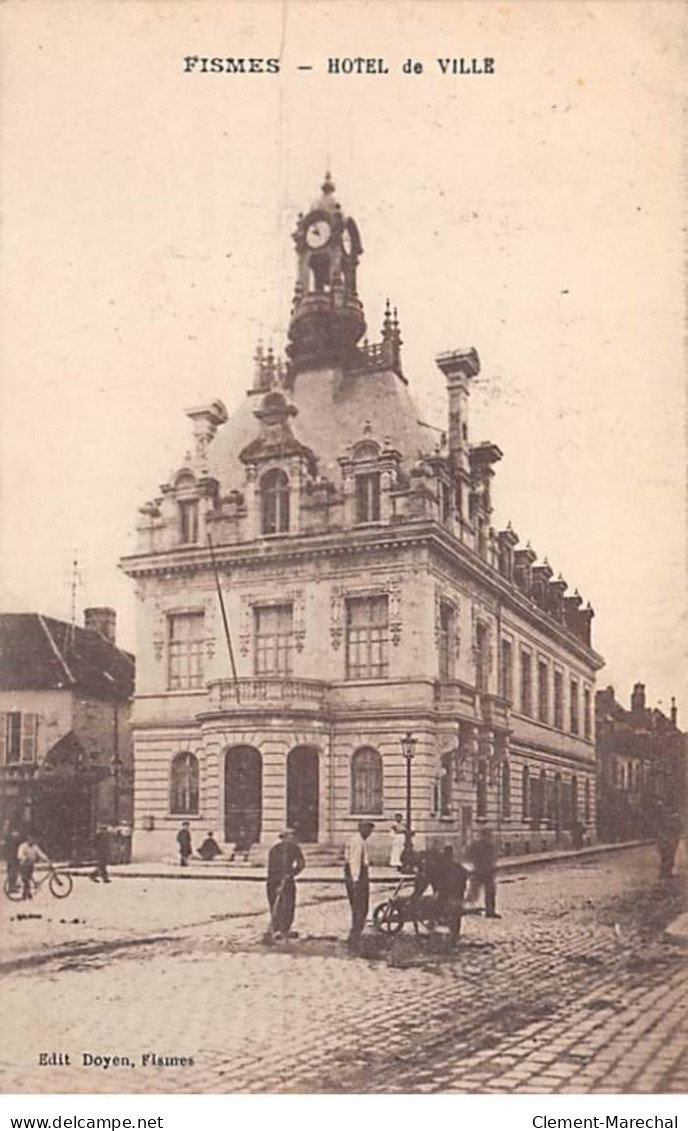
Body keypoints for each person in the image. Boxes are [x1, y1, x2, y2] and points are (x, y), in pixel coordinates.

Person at [266, 827, 305, 940]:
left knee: (287, 904)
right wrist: (282, 879)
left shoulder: (293, 848)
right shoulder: (275, 849)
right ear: (284, 837)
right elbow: (272, 866)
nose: (292, 838)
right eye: (290, 836)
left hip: (286, 880)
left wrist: (291, 873)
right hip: (275, 880)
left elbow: (301, 863)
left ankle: (284, 928)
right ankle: (277, 929)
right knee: (277, 903)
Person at [344, 820, 374, 950]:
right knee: (360, 908)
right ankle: (355, 939)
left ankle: (355, 936)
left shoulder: (359, 840)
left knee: (360, 908)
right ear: (362, 829)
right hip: (358, 878)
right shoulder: (357, 841)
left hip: (358, 876)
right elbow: (354, 862)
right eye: (368, 830)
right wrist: (356, 880)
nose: (370, 833)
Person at [467, 826, 500, 919]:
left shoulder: (477, 844)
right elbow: (493, 857)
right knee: (483, 891)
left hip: (481, 870)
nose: (491, 836)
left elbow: (468, 855)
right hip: (484, 870)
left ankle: (473, 909)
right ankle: (488, 911)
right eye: (489, 834)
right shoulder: (488, 845)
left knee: (475, 891)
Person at [17, 836, 50, 900]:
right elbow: (20, 855)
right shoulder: (23, 846)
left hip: (31, 865)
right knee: (26, 880)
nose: (31, 841)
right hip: (24, 865)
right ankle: (26, 895)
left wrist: (46, 858)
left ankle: (27, 894)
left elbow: (40, 853)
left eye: (32, 840)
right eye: (30, 840)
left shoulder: (34, 847)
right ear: (27, 840)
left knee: (29, 879)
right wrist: (24, 858)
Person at [657, 810, 683, 879]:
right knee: (667, 855)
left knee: (670, 855)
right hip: (668, 839)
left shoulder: (671, 823)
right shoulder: (667, 824)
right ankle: (664, 873)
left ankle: (667, 872)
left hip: (671, 838)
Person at [3, 823, 21, 893]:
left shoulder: (7, 835)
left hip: (10, 855)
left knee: (12, 871)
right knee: (13, 871)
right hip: (12, 855)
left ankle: (12, 886)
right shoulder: (9, 835)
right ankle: (12, 887)